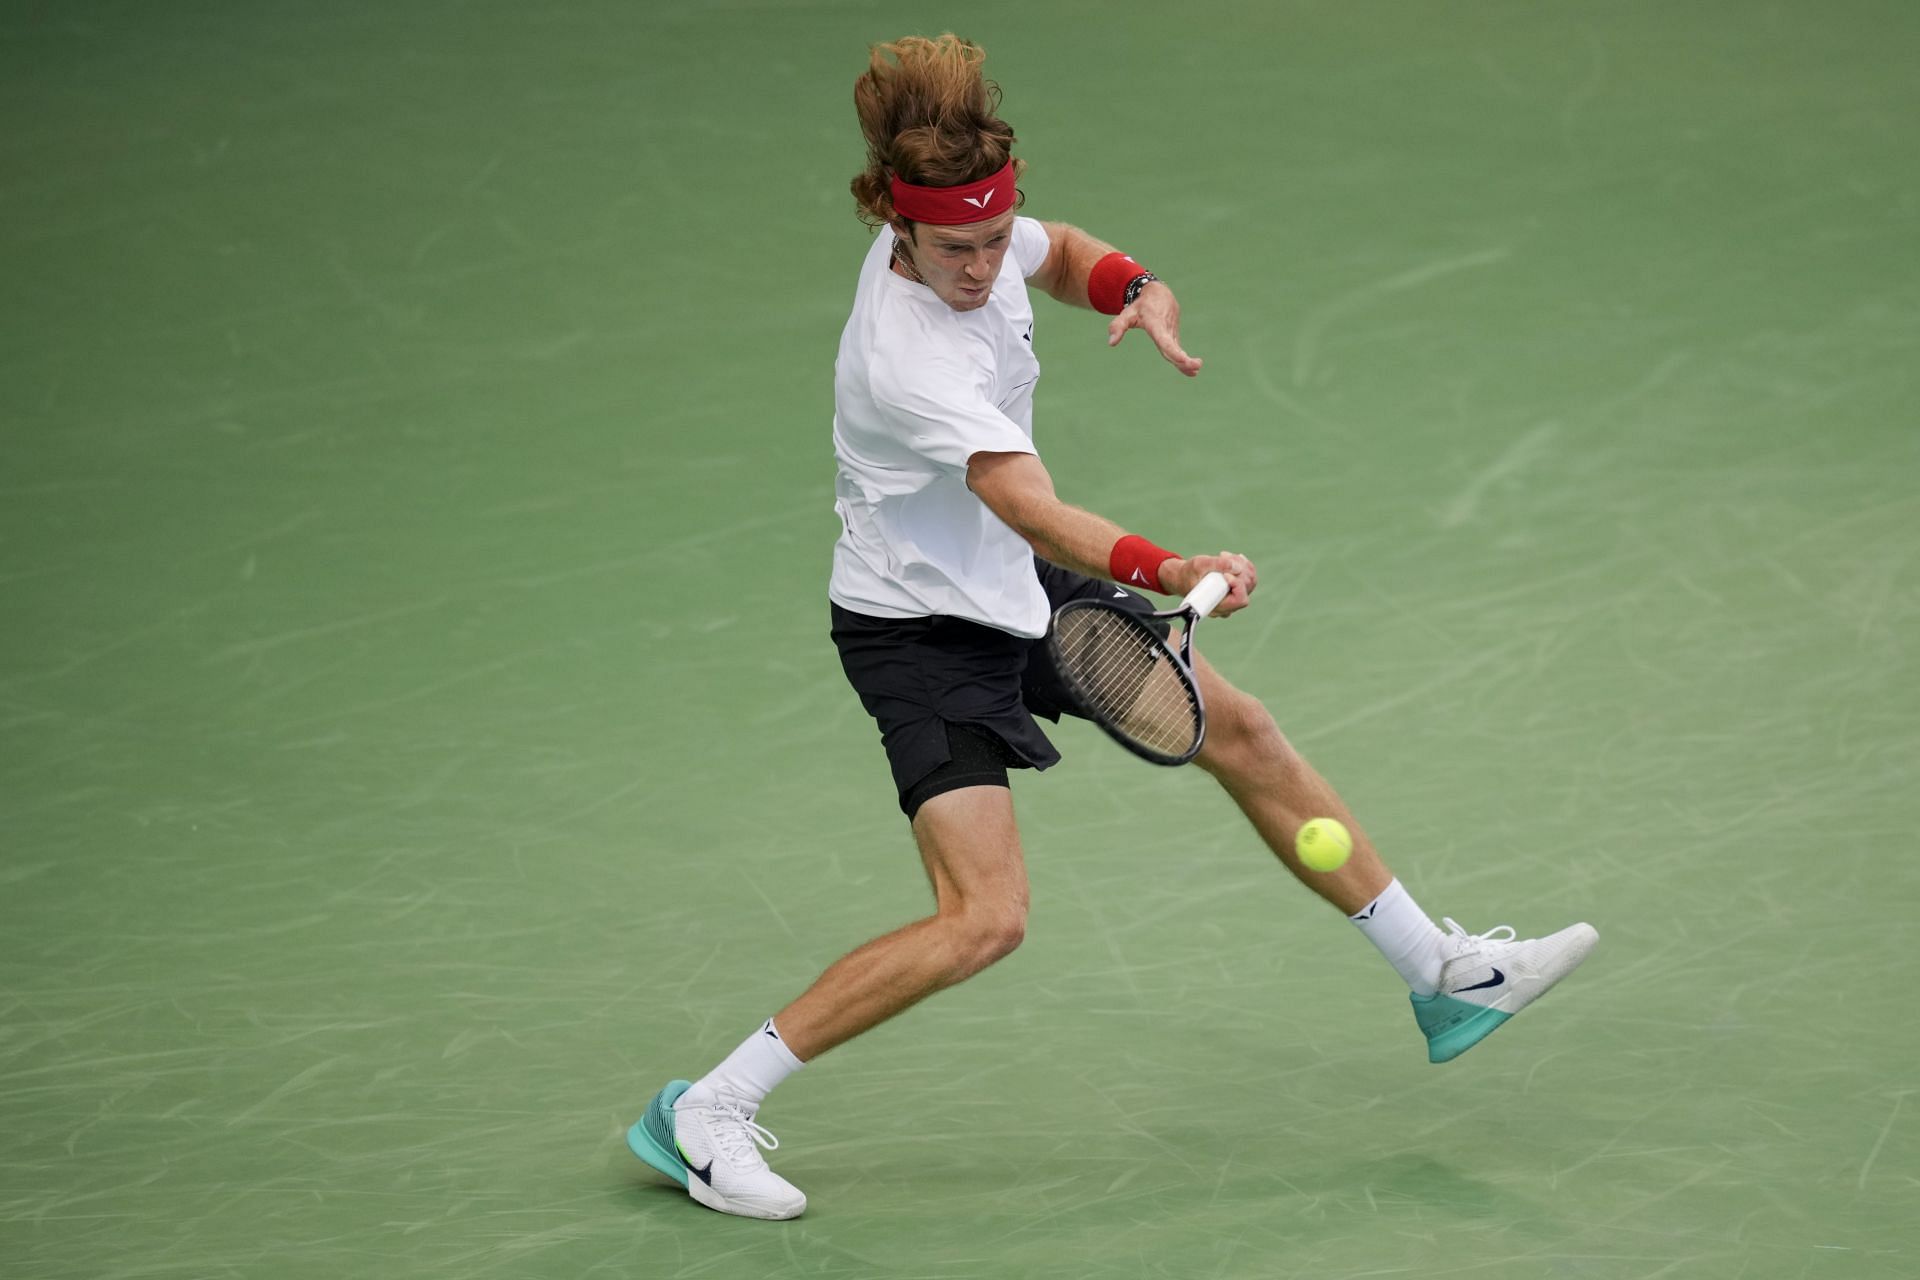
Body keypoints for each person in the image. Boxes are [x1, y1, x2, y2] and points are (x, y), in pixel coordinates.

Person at [626, 34, 1598, 1221]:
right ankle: (707, 1109)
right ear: (892, 221)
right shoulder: (905, 358)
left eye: (994, 238)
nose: (984, 268)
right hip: (921, 632)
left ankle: (1446, 975)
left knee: (1239, 728)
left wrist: (1134, 285)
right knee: (985, 920)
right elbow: (1026, 502)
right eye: (956, 250)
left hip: (1015, 584)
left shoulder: (980, 235)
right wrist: (1172, 564)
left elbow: (1063, 253)